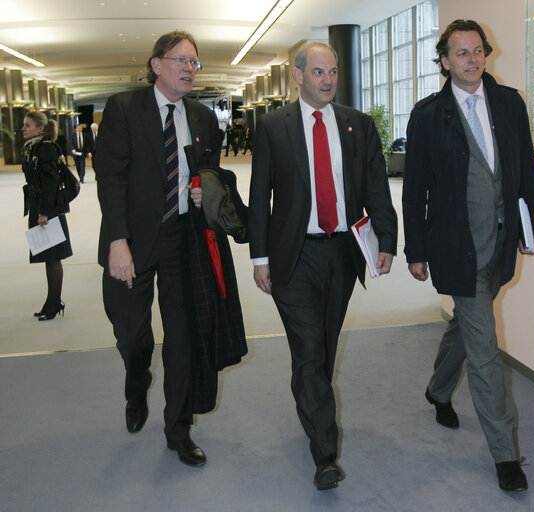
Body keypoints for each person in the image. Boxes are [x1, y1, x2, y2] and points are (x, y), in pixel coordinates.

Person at [402, 19, 534, 492]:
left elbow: (524, 171)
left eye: (478, 50)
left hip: (501, 246)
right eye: (461, 53)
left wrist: (531, 227)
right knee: (485, 350)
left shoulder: (508, 102)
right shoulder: (427, 115)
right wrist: (415, 249)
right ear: (444, 61)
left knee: (466, 322)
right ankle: (505, 456)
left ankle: (437, 389)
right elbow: (415, 189)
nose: (472, 59)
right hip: (455, 248)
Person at [249, 42, 398, 490]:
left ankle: (310, 403)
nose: (328, 80)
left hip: (341, 252)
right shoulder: (274, 127)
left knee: (323, 349)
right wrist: (260, 257)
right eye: (318, 72)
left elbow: (376, 186)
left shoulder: (358, 125)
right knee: (310, 347)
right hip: (293, 254)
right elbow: (260, 196)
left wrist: (386, 241)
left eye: (332, 71)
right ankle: (325, 454)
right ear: (297, 76)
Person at [94, 30, 224, 468]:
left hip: (182, 241)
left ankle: (178, 430)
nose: (189, 68)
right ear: (156, 65)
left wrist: (209, 191)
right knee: (131, 335)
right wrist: (117, 242)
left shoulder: (204, 118)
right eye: (181, 60)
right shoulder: (124, 109)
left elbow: (212, 176)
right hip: (131, 238)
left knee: (183, 339)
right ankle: (137, 377)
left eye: (195, 62)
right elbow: (109, 179)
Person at [21, 111, 72, 321]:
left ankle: (54, 303)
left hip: (47, 210)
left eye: (27, 125)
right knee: (48, 257)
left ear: (40, 128)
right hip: (40, 208)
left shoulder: (46, 148)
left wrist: (43, 213)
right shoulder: (34, 148)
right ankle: (51, 301)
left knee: (52, 258)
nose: (23, 128)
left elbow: (51, 183)